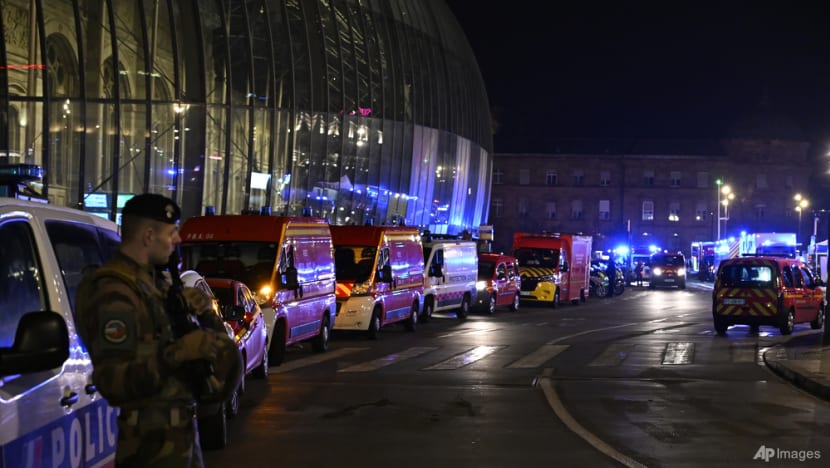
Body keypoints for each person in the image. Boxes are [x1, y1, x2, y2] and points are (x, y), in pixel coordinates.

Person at [75, 193, 242, 468]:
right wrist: (179, 353)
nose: (177, 240)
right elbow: (113, 382)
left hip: (181, 436)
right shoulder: (113, 292)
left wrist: (202, 314)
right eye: (172, 232)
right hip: (148, 446)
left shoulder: (156, 287)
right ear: (149, 236)